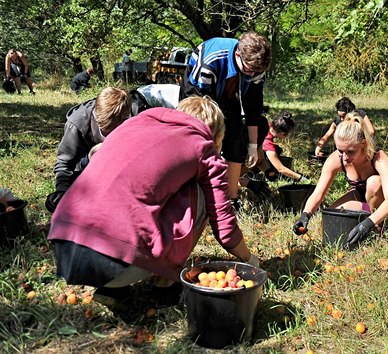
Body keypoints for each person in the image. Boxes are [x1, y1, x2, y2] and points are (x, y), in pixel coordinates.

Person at [47, 96, 260, 312]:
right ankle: (164, 284)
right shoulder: (202, 148)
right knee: (202, 193)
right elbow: (224, 228)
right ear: (214, 135)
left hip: (63, 245)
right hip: (115, 260)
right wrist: (250, 260)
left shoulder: (133, 124)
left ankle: (113, 289)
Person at [180, 31, 272, 211]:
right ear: (238, 55)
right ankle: (197, 193)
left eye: (257, 72)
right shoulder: (211, 62)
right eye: (248, 70)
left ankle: (231, 198)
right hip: (199, 94)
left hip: (229, 93)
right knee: (203, 142)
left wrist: (253, 146)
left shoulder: (255, 68)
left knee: (236, 140)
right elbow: (202, 107)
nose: (252, 74)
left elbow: (253, 107)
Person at [293, 112, 388, 245]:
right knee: (331, 219)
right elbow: (318, 194)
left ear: (363, 144)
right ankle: (363, 219)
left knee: (374, 182)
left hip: (381, 197)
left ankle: (379, 228)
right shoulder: (335, 159)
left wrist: (368, 224)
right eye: (340, 150)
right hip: (361, 195)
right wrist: (305, 215)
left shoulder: (378, 157)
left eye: (350, 151)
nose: (344, 157)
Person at [45, 87, 132, 213]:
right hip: (85, 171)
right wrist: (62, 191)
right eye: (104, 127)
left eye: (115, 127)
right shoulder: (78, 123)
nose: (108, 132)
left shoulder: (134, 117)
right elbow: (65, 163)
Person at [261, 112, 310, 183]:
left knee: (277, 150)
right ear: (282, 133)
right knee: (275, 151)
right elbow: (281, 169)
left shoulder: (269, 125)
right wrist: (300, 178)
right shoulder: (267, 143)